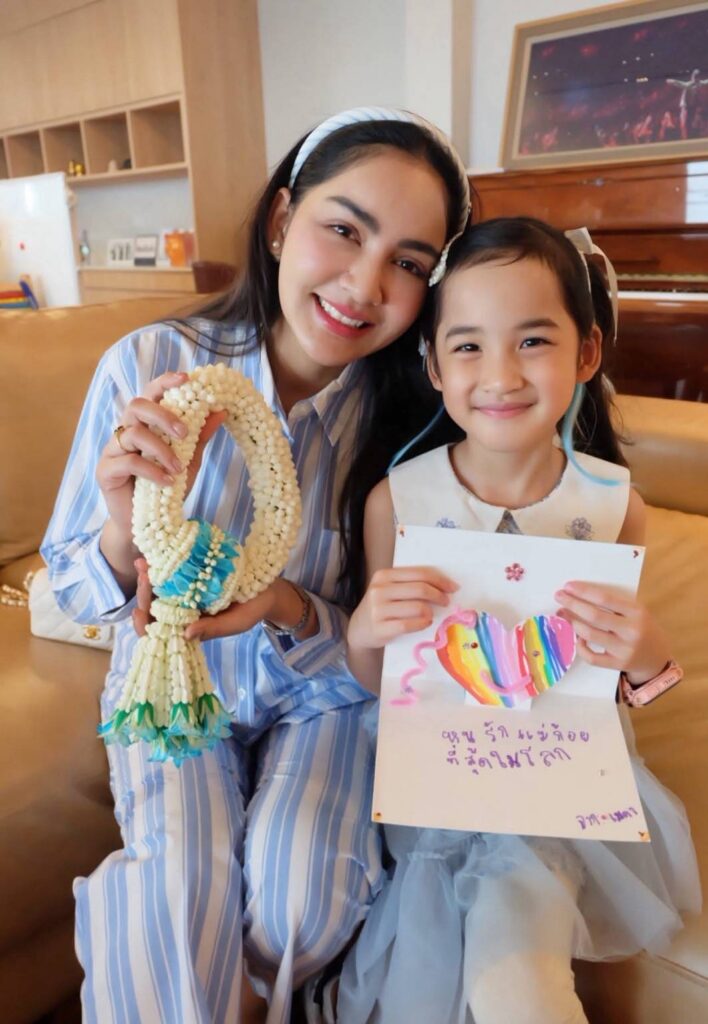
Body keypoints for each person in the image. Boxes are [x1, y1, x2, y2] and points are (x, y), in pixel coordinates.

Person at [40, 107, 471, 1024]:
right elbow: (73, 585)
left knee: (303, 903)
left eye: (408, 263)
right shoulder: (150, 365)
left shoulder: (412, 429)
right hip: (174, 679)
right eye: (343, 230)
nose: (364, 284)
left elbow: (382, 648)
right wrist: (121, 525)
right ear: (281, 220)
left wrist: (283, 602)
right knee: (178, 893)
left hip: (324, 695)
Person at [339, 217, 701, 1024]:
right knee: (431, 974)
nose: (500, 374)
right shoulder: (398, 501)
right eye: (468, 345)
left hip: (553, 790)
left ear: (587, 352)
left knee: (517, 980)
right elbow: (381, 677)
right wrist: (364, 631)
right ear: (433, 364)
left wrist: (648, 659)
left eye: (533, 340)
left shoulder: (615, 507)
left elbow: (610, 684)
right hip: (435, 776)